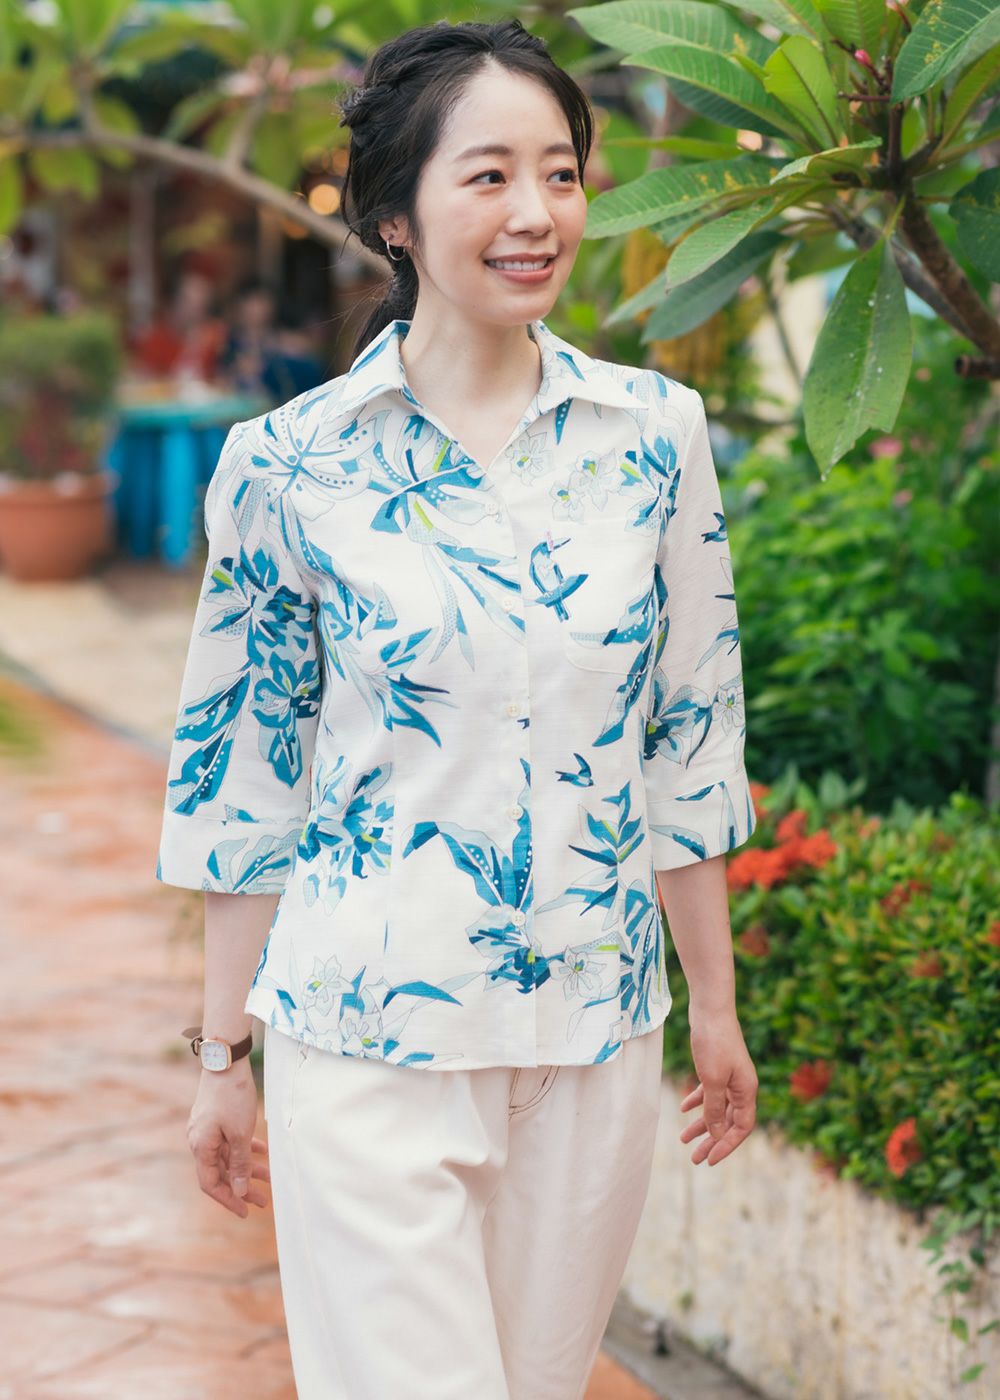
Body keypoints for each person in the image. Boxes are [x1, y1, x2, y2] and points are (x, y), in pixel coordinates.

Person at [155, 17, 760, 1400]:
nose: (535, 212)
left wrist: (713, 1006)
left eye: (561, 173)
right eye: (488, 176)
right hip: (366, 1036)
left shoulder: (656, 440)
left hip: (593, 1035)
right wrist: (221, 1055)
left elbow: (690, 736)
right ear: (396, 215)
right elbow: (242, 779)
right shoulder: (288, 466)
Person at [131, 264, 225, 383]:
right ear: (174, 303)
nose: (194, 312)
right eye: (188, 303)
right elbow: (143, 378)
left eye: (201, 306)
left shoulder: (217, 338)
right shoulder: (155, 339)